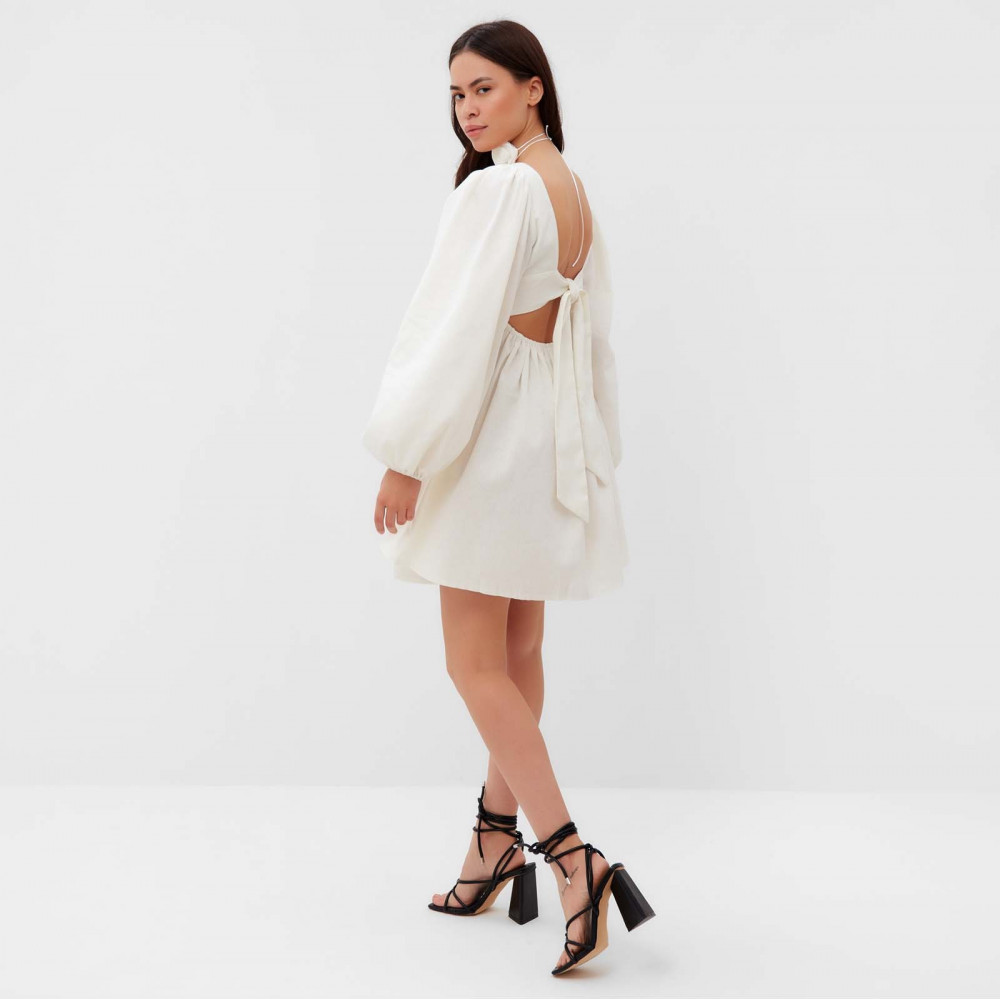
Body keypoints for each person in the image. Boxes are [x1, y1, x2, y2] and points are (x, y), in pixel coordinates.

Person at [361, 20, 654, 975]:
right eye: (456, 94)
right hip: (541, 441)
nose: (467, 109)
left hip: (491, 444)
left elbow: (452, 331)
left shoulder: (502, 190)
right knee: (518, 651)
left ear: (534, 87)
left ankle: (572, 857)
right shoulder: (570, 190)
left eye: (483, 88)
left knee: (473, 662)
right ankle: (494, 840)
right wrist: (592, 453)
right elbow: (588, 343)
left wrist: (408, 454)